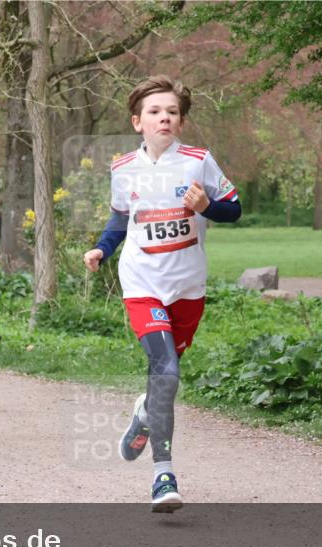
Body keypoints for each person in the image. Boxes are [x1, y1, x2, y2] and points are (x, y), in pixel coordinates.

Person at [82, 75, 241, 512]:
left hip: (188, 287)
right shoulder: (122, 169)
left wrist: (207, 207)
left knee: (163, 381)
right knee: (166, 369)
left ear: (181, 122)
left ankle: (144, 413)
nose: (164, 117)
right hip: (142, 283)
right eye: (154, 111)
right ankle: (163, 475)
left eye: (172, 111)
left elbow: (235, 208)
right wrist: (101, 248)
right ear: (138, 122)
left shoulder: (198, 161)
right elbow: (120, 220)